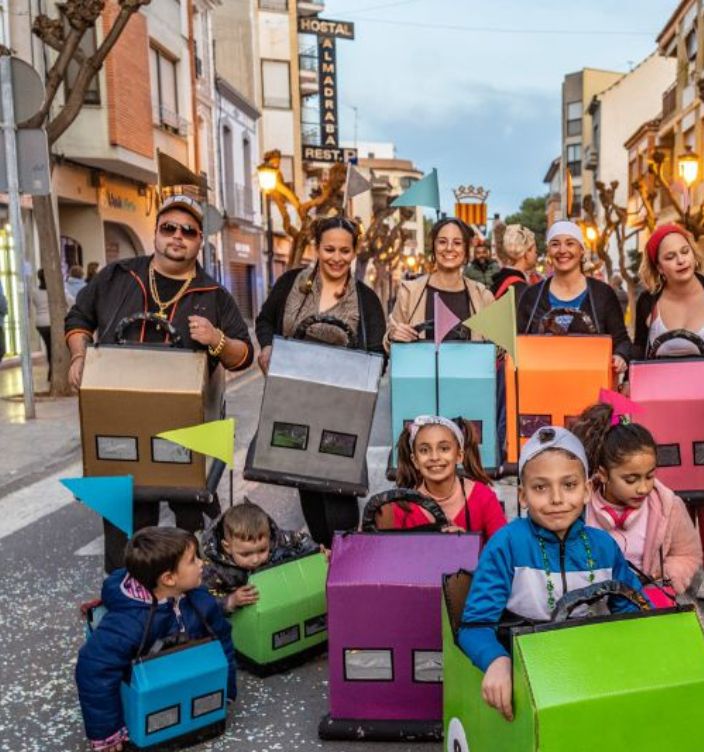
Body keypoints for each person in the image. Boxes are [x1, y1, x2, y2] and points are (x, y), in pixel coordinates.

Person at [65, 193, 254, 573]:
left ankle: (191, 602)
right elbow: (78, 319)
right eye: (169, 228)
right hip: (121, 420)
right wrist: (80, 356)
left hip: (190, 429)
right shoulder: (118, 277)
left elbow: (244, 355)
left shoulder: (213, 295)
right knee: (126, 528)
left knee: (193, 527)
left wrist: (216, 338)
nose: (178, 236)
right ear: (156, 233)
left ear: (200, 240)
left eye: (189, 231)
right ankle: (128, 599)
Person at [459, 427, 644, 719]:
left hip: (594, 674)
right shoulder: (506, 545)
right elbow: (474, 626)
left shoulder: (604, 547)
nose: (556, 499)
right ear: (522, 495)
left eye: (569, 485)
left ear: (587, 489)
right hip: (530, 677)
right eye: (540, 487)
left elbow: (637, 616)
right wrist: (496, 661)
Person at [631, 223, 704, 600]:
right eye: (670, 256)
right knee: (668, 488)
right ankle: (677, 564)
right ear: (657, 265)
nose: (680, 260)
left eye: (683, 251)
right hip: (663, 406)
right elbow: (638, 351)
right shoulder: (648, 303)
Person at [255, 215, 387, 546]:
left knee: (340, 492)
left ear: (354, 251)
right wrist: (268, 347)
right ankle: (323, 562)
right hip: (295, 400)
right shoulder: (290, 284)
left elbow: (378, 354)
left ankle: (345, 563)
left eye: (345, 250)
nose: (337, 258)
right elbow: (265, 321)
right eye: (329, 249)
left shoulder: (366, 299)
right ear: (317, 247)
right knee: (308, 485)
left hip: (343, 409)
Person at [75, 526, 236, 752]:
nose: (202, 563)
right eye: (193, 560)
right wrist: (106, 732)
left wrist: (226, 689)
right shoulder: (131, 622)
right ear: (168, 578)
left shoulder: (198, 597)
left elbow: (222, 640)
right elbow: (93, 667)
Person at [571, 402, 702, 598]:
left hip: (648, 606)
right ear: (603, 474)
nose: (643, 488)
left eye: (649, 476)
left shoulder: (669, 507)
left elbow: (687, 554)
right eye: (630, 480)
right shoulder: (579, 509)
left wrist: (663, 580)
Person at [516, 221, 633, 374]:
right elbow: (517, 343)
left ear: (581, 250)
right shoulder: (531, 296)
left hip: (593, 387)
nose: (562, 250)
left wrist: (620, 356)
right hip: (541, 386)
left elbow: (622, 341)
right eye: (555, 244)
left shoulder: (603, 294)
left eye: (570, 243)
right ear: (549, 251)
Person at [374, 414, 508, 544]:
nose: (434, 457)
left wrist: (465, 545)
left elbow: (504, 555)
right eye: (424, 450)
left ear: (459, 456)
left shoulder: (483, 497)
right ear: (415, 461)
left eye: (444, 448)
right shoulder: (399, 507)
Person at [387, 217, 495, 346]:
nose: (449, 248)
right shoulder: (409, 293)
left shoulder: (483, 296)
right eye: (442, 242)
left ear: (466, 250)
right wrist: (393, 335)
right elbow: (389, 344)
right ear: (433, 246)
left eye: (457, 243)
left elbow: (497, 351)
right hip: (421, 366)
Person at [200, 500, 320, 614]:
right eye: (246, 554)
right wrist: (231, 600)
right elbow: (203, 601)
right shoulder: (214, 569)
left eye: (262, 550)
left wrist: (318, 551)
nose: (255, 559)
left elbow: (301, 540)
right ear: (227, 547)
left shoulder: (277, 540)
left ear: (269, 537)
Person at [491, 223, 540, 299]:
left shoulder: (501, 279)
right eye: (535, 251)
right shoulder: (520, 287)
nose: (536, 255)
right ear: (526, 252)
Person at [33, 269, 51, 385]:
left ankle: (51, 372)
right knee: (52, 348)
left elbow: (34, 303)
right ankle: (52, 372)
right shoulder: (55, 290)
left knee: (48, 347)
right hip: (51, 323)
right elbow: (70, 301)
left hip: (40, 323)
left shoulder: (35, 291)